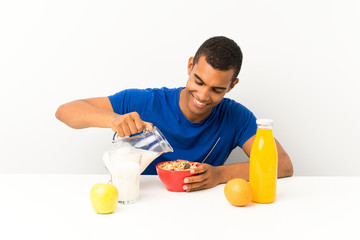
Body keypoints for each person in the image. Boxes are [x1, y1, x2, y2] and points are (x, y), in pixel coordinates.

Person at [56, 36, 293, 192]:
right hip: (138, 206)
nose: (202, 95)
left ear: (231, 86)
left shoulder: (236, 117)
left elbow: (283, 165)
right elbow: (65, 111)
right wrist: (114, 119)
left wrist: (220, 174)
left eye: (217, 89)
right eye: (198, 81)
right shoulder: (144, 102)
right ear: (190, 66)